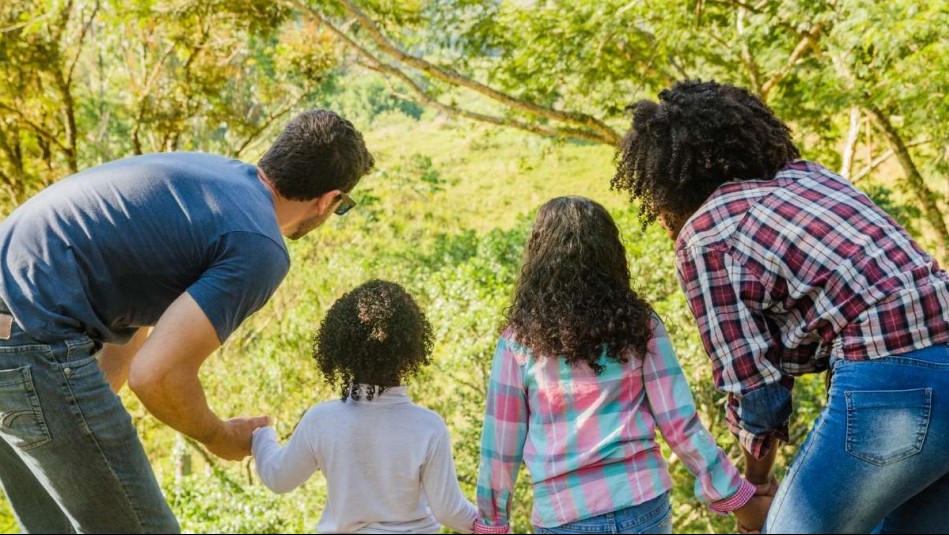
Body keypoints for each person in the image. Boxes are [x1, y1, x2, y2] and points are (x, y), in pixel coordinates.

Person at [0, 110, 374, 533]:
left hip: (15, 330)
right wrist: (217, 435)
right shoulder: (260, 245)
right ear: (329, 200)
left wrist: (79, 421)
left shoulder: (208, 178)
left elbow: (131, 324)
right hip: (34, 341)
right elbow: (156, 375)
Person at [611, 79, 949, 533]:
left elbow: (757, 391)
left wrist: (757, 491)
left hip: (892, 380)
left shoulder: (706, 235)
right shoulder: (809, 177)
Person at [473, 196, 770, 535]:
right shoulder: (640, 325)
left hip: (565, 515)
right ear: (610, 254)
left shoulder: (518, 341)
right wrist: (735, 494)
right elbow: (680, 425)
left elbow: (500, 448)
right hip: (642, 503)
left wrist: (492, 523)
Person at [252, 279, 477, 534]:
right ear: (410, 351)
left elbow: (279, 478)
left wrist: (261, 436)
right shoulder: (428, 426)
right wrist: (493, 527)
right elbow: (449, 511)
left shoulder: (321, 420)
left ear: (340, 349)